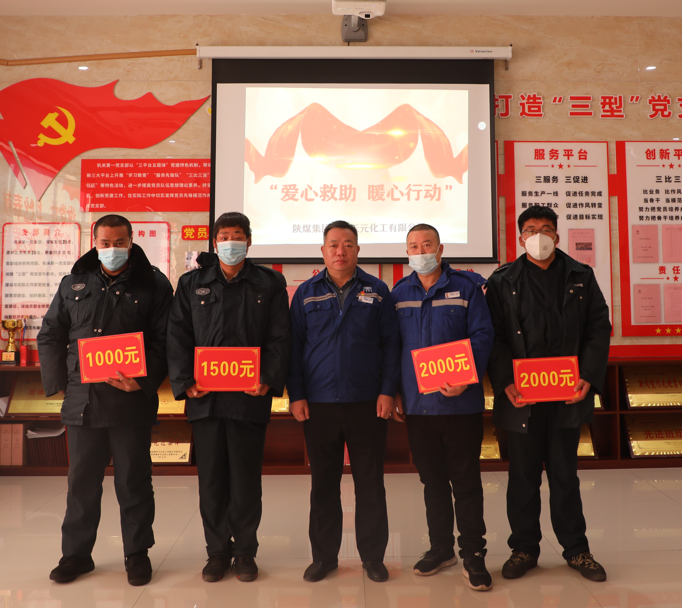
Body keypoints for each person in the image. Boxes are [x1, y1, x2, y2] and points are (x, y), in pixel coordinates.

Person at [37, 214, 172, 586]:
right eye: (105, 243)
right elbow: (51, 333)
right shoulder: (73, 283)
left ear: (131, 241)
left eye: (119, 243)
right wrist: (59, 383)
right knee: (81, 483)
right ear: (94, 242)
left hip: (131, 402)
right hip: (83, 401)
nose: (113, 249)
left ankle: (137, 553)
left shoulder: (154, 283)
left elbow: (165, 340)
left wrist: (142, 381)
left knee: (133, 482)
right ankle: (76, 555)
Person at [485, 205, 611, 583]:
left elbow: (598, 327)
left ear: (557, 235)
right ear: (520, 237)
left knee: (564, 475)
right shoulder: (502, 280)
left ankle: (576, 549)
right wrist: (505, 381)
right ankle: (523, 548)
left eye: (545, 229)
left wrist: (588, 376)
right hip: (522, 396)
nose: (537, 236)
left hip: (566, 394)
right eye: (530, 230)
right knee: (522, 477)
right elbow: (494, 336)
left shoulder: (580, 275)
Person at [168, 212, 291, 584]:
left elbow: (280, 336)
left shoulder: (269, 282)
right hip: (205, 399)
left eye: (237, 236)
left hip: (249, 398)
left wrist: (268, 378)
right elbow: (177, 335)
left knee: (246, 481)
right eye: (224, 237)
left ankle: (245, 552)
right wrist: (185, 382)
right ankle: (217, 553)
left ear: (249, 241)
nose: (230, 243)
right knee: (211, 481)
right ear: (214, 242)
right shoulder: (191, 283)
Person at [288, 220, 401, 583]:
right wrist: (297, 394)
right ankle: (324, 558)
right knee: (323, 484)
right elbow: (294, 347)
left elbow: (391, 344)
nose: (341, 251)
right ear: (323, 251)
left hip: (368, 402)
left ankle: (373, 558)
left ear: (357, 250)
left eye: (348, 244)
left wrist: (387, 390)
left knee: (370, 483)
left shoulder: (378, 290)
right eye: (334, 244)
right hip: (319, 403)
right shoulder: (305, 293)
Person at [390, 224, 494, 591]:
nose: (420, 252)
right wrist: (395, 391)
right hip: (418, 407)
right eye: (413, 246)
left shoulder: (467, 288)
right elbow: (392, 347)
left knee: (466, 482)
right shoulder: (399, 293)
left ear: (440, 248)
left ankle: (473, 553)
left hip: (461, 405)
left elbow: (483, 336)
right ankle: (441, 548)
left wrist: (468, 376)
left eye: (426, 245)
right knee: (432, 482)